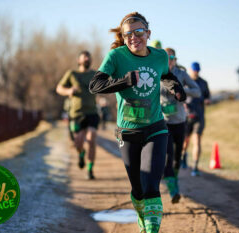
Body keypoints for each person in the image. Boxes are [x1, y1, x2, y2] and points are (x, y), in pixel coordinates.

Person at [89, 12, 186, 233]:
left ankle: (151, 229)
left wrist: (176, 88)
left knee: (151, 184)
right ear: (123, 38)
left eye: (139, 32)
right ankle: (142, 217)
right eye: (128, 34)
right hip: (128, 132)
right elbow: (95, 85)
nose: (134, 37)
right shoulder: (116, 56)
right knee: (138, 189)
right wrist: (124, 81)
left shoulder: (160, 56)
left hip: (155, 128)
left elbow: (166, 75)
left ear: (148, 33)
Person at [159, 48, 201, 203]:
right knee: (168, 156)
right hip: (164, 122)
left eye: (172, 57)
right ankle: (172, 190)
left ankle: (174, 181)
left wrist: (182, 90)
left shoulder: (182, 74)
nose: (169, 60)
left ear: (175, 60)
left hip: (180, 121)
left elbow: (197, 91)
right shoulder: (157, 74)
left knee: (177, 156)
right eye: (166, 57)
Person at [56, 51, 100, 180]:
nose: (87, 59)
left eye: (89, 57)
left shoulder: (94, 74)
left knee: (91, 138)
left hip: (92, 112)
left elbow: (104, 84)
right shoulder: (72, 74)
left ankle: (90, 169)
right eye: (84, 57)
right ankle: (81, 154)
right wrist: (68, 90)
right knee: (78, 142)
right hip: (76, 114)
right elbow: (59, 88)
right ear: (79, 60)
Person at [182, 62, 211, 176]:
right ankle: (183, 157)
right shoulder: (185, 81)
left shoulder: (203, 83)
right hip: (186, 116)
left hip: (199, 116)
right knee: (185, 141)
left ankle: (195, 166)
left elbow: (208, 96)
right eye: (194, 70)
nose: (196, 72)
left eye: (197, 71)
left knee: (197, 140)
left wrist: (207, 100)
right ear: (190, 70)